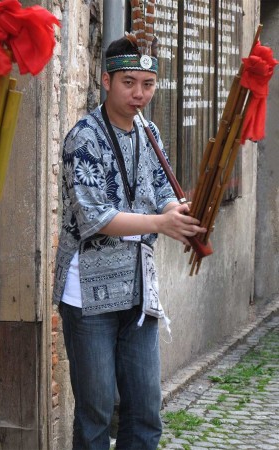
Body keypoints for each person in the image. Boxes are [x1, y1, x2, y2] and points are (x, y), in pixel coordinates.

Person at [53, 36, 206, 450]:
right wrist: (161, 221)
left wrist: (179, 211)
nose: (140, 94)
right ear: (106, 81)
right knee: (97, 410)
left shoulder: (149, 131)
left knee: (145, 409)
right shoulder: (83, 137)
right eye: (129, 82)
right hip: (88, 293)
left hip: (139, 289)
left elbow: (162, 188)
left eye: (149, 84)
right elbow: (95, 217)